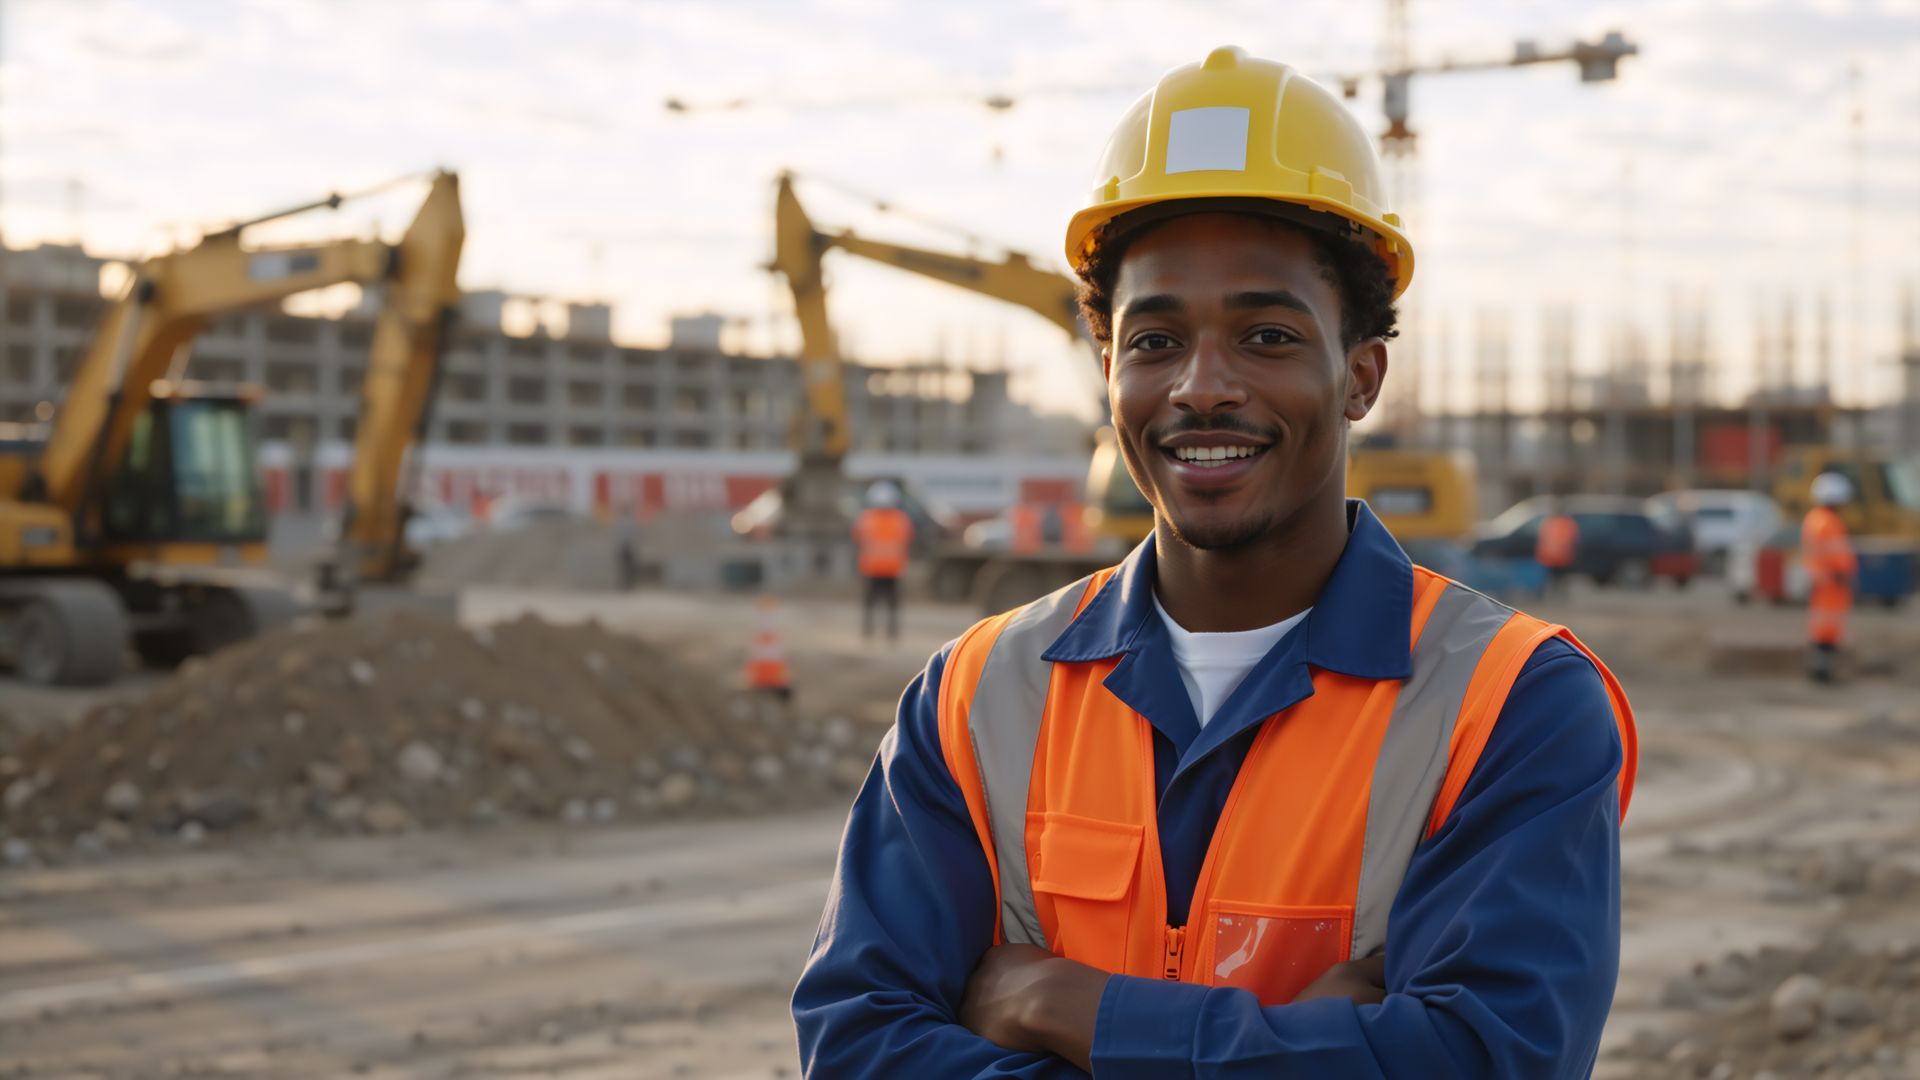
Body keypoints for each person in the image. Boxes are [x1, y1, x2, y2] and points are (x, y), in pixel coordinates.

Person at [792, 47, 1637, 1077]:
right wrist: (1321, 1047)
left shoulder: (1510, 705)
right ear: (1107, 370)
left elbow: (1490, 1059)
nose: (1201, 386)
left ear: (1360, 374)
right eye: (1154, 342)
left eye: (1267, 335)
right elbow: (857, 1042)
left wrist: (1078, 1009)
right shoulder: (977, 699)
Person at [1802, 472, 1858, 684]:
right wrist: (1845, 575)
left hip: (1822, 582)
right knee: (1827, 630)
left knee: (1822, 629)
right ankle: (1822, 672)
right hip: (1832, 583)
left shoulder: (1814, 519)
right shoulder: (1829, 522)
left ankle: (1821, 669)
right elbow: (1837, 555)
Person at [853, 480, 913, 641]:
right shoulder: (901, 519)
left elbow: (858, 539)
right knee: (892, 603)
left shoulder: (866, 519)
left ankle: (868, 630)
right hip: (893, 569)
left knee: (870, 602)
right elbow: (908, 540)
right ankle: (891, 632)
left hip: (872, 568)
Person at [1537, 502, 1580, 594]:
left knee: (1560, 576)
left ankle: (1559, 592)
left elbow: (1572, 539)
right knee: (1552, 576)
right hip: (1551, 556)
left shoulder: (1564, 522)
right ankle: (1554, 592)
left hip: (1560, 556)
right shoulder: (1551, 522)